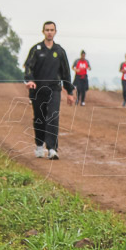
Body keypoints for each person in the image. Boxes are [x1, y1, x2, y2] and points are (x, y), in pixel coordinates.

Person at [23, 21, 74, 160]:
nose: (49, 32)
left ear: (55, 32)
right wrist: (30, 80)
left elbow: (66, 72)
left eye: (52, 30)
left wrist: (70, 92)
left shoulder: (59, 51)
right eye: (47, 30)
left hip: (54, 90)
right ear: (43, 32)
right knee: (39, 118)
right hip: (38, 90)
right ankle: (39, 145)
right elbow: (28, 67)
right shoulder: (36, 49)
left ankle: (52, 149)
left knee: (52, 117)